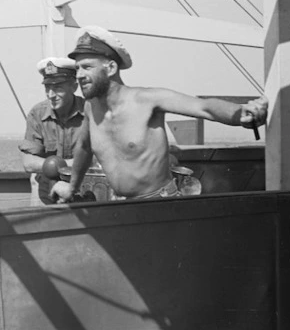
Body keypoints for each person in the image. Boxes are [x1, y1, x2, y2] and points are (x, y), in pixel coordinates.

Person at [51, 25, 268, 201]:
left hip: (162, 204)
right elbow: (84, 147)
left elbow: (204, 107)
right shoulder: (91, 107)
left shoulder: (147, 100)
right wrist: (73, 187)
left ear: (111, 68)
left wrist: (240, 114)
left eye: (86, 67)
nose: (79, 75)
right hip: (126, 207)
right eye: (77, 68)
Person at [19, 57, 86, 205]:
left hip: (81, 188)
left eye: (58, 88)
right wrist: (64, 166)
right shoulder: (37, 114)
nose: (51, 95)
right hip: (45, 191)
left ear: (74, 87)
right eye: (47, 88)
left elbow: (99, 159)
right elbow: (28, 162)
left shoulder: (90, 113)